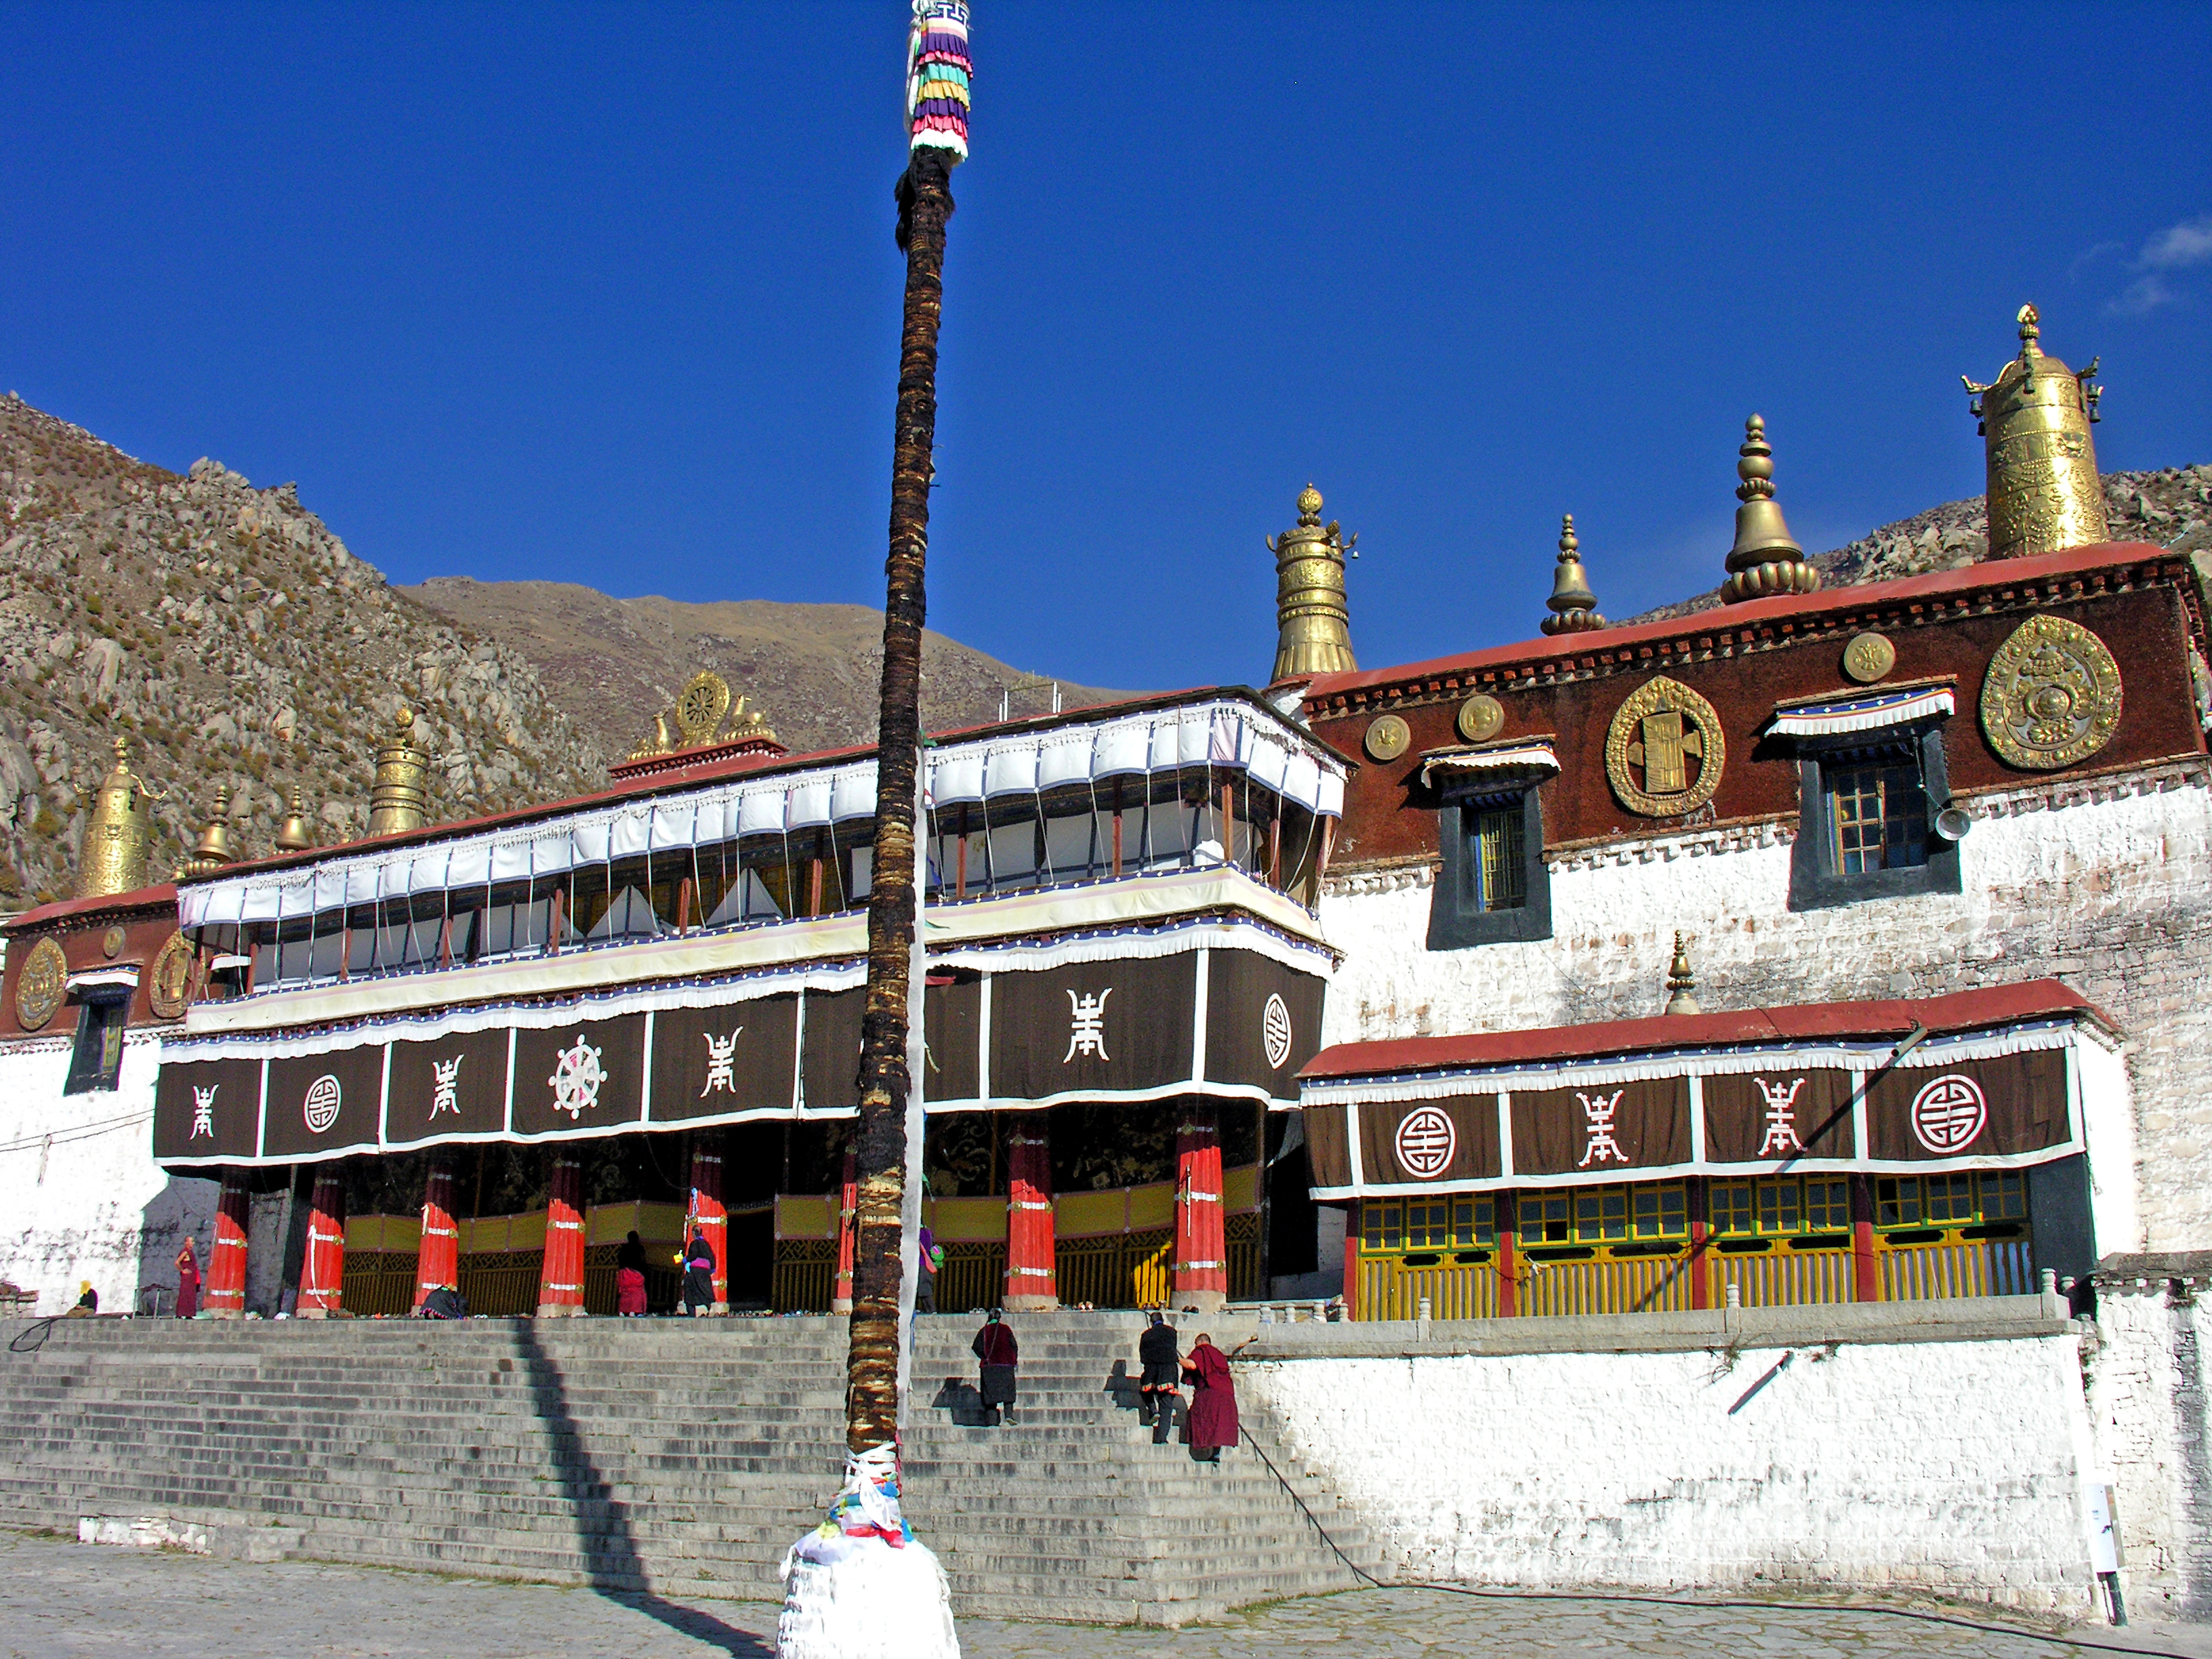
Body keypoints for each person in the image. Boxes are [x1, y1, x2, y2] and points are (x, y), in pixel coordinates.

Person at [1181, 1332, 1238, 1462]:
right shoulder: (1218, 1354)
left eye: (1195, 1345)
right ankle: (1216, 1453)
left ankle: (1201, 1445)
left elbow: (1192, 1365)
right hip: (1227, 1393)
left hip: (1209, 1392)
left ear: (1200, 1342)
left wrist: (1177, 1359)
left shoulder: (1203, 1350)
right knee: (1219, 1423)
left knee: (1203, 1418)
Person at [1137, 1311, 1181, 1445]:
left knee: (1145, 1391)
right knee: (1166, 1405)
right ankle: (1161, 1438)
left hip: (1151, 1370)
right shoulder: (1172, 1332)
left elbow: (1142, 1357)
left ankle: (1152, 1409)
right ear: (1163, 1320)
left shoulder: (1146, 1335)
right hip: (1168, 1371)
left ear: (1151, 1322)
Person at [972, 1309, 1019, 1423]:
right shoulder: (1006, 1329)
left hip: (989, 1366)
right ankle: (1009, 1415)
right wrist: (1013, 1359)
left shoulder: (984, 1331)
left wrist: (984, 1356)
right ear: (999, 1318)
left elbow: (976, 1347)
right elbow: (1014, 1346)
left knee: (990, 1396)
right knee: (1008, 1393)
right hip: (1005, 1365)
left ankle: (992, 1421)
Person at [680, 1229, 716, 1317]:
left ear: (693, 1233)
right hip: (705, 1271)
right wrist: (712, 1269)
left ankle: (692, 1313)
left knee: (690, 1291)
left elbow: (693, 1255)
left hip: (695, 1270)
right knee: (704, 1289)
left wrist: (685, 1260)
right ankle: (710, 1307)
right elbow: (712, 1257)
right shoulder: (706, 1244)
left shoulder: (695, 1244)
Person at [615, 1229, 649, 1317]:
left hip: (625, 1274)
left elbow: (620, 1259)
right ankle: (634, 1310)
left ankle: (623, 1311)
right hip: (636, 1274)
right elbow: (643, 1261)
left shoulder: (623, 1248)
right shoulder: (639, 1248)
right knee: (636, 1293)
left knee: (625, 1293)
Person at [916, 1224, 941, 1315]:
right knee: (925, 1288)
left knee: (923, 1288)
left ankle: (931, 1310)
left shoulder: (919, 1233)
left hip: (922, 1263)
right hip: (927, 1263)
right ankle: (930, 1310)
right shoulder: (928, 1232)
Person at [173, 1236, 200, 1319]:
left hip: (191, 1277)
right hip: (187, 1278)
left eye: (193, 1241)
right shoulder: (185, 1252)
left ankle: (189, 1314)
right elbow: (177, 1262)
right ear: (186, 1243)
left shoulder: (190, 1252)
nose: (193, 1243)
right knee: (185, 1294)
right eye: (191, 1241)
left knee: (191, 1295)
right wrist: (182, 1270)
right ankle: (180, 1314)